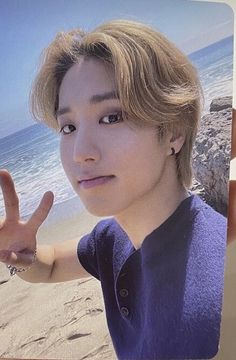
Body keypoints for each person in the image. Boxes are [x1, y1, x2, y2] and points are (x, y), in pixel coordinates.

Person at [0, 19, 227, 359]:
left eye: (112, 117)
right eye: (68, 127)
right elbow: (46, 266)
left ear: (174, 131)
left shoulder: (219, 284)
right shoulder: (112, 238)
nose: (80, 152)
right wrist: (17, 257)